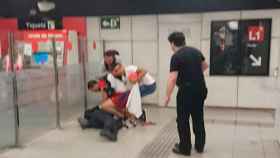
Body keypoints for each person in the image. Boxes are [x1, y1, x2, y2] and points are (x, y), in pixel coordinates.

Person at [165, 32, 208, 156]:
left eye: (170, 44)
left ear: (173, 43)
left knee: (183, 120)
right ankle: (200, 146)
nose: (171, 46)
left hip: (186, 91)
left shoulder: (176, 56)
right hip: (200, 89)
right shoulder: (196, 51)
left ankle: (185, 148)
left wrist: (168, 95)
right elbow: (205, 66)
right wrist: (193, 73)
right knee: (198, 117)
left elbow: (173, 78)